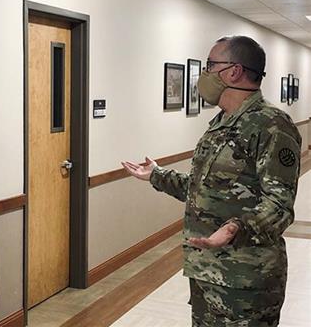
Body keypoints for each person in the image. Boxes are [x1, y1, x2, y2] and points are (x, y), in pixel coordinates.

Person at [122, 36, 301, 326]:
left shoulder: (271, 125)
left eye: (210, 65)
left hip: (245, 281)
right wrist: (156, 175)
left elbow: (279, 206)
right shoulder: (221, 124)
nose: (204, 75)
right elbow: (205, 188)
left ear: (233, 72)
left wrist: (235, 227)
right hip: (208, 273)